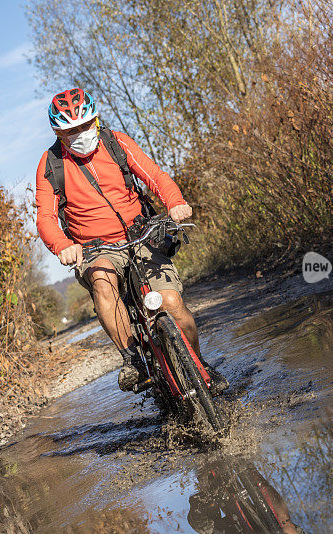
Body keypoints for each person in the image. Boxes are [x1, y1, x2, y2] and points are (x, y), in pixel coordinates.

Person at [35, 87, 227, 394]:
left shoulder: (115, 142)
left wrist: (174, 202)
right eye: (72, 131)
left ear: (95, 120)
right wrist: (62, 246)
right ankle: (133, 360)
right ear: (59, 132)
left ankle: (200, 365)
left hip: (142, 234)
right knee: (101, 278)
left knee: (173, 303)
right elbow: (45, 217)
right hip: (95, 248)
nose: (81, 134)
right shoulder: (50, 164)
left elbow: (154, 175)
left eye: (86, 125)